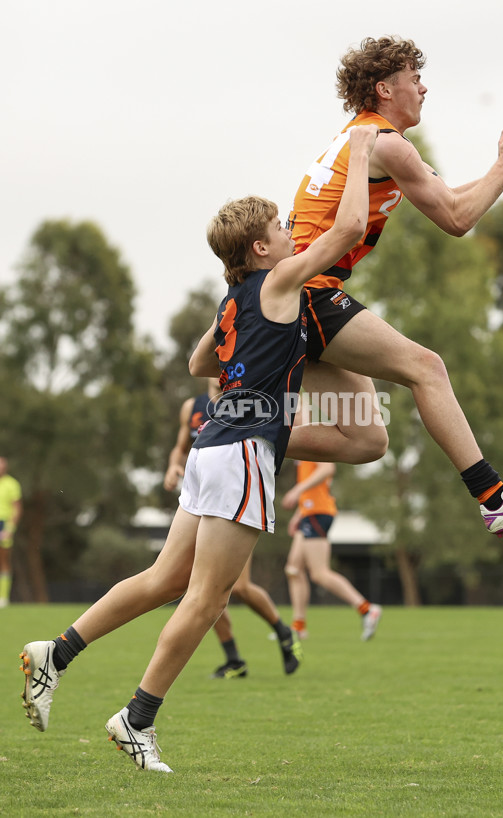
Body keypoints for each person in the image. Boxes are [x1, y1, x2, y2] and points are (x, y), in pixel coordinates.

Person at [20, 123, 379, 773]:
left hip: (214, 446)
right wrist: (359, 154)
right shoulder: (278, 283)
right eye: (282, 224)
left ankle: (57, 653)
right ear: (261, 245)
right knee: (206, 598)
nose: (292, 229)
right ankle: (137, 718)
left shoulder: (234, 298)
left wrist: (239, 356)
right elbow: (350, 228)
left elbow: (195, 364)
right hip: (241, 455)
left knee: (165, 578)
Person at [283, 35, 503, 536]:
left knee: (367, 440)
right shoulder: (386, 143)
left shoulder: (368, 136)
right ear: (384, 89)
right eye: (413, 78)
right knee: (427, 368)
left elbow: (447, 197)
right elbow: (457, 219)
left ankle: (237, 431)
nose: (423, 87)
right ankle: (494, 497)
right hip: (306, 291)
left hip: (290, 292)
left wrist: (501, 170)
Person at [164, 383, 301, 679]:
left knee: (237, 588)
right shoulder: (193, 406)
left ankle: (284, 632)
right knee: (198, 587)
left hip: (233, 495)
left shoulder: (250, 400)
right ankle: (235, 660)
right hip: (201, 497)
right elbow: (180, 448)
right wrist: (173, 466)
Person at [282, 459, 381, 640]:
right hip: (309, 512)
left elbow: (327, 468)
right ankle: (298, 627)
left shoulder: (313, 437)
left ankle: (367, 609)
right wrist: (299, 513)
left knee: (320, 573)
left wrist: (297, 490)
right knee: (293, 569)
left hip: (317, 512)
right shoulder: (304, 441)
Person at [0, 457, 22, 608]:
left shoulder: (12, 484)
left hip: (3, 524)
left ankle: (3, 597)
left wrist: (9, 529)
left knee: (4, 561)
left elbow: (17, 509)